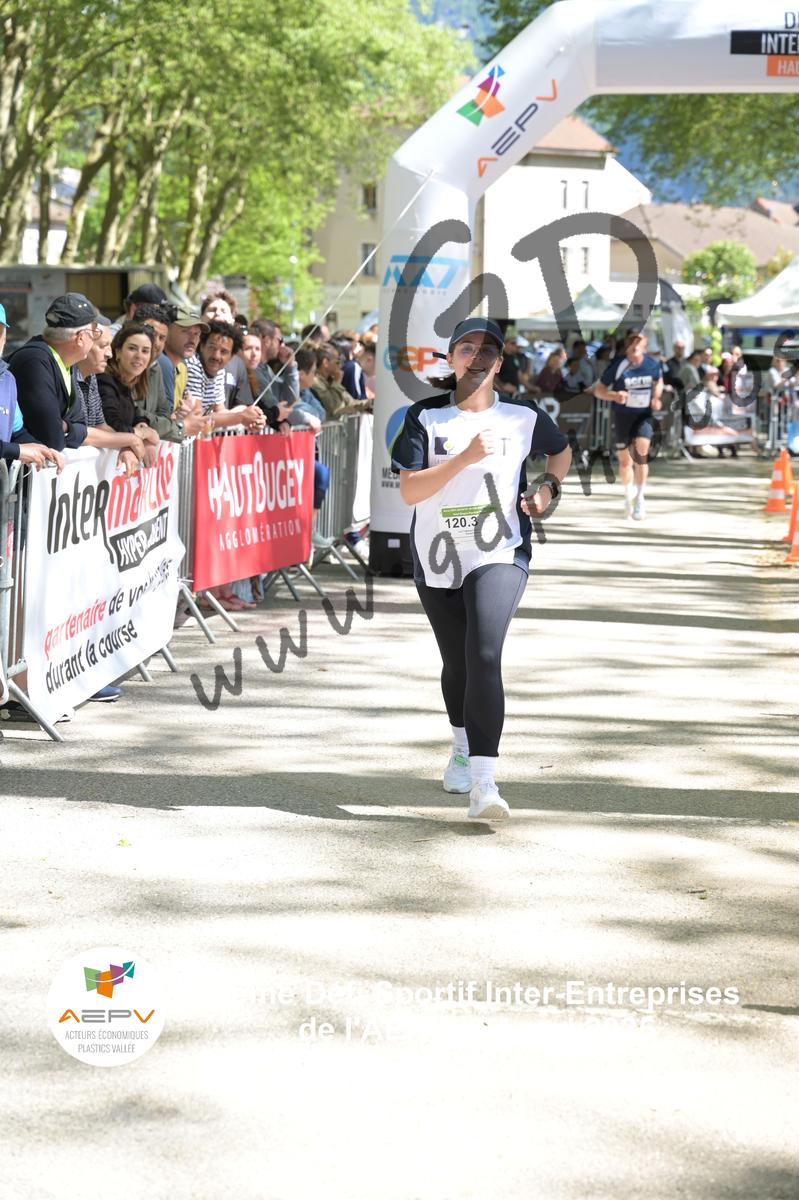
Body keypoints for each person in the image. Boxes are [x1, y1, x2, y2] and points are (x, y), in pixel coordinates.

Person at [391, 317, 571, 821]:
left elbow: (560, 452)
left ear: (499, 362)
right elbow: (410, 490)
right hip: (438, 552)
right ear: (450, 359)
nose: (477, 357)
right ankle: (461, 748)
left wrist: (547, 488)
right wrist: (464, 458)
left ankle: (484, 784)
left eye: (488, 350)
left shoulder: (522, 416)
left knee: (485, 652)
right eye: (467, 349)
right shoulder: (425, 417)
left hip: (500, 549)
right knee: (458, 662)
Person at [7, 292, 98, 450]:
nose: (94, 340)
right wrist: (70, 429)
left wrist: (66, 427)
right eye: (94, 333)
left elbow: (81, 422)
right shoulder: (34, 361)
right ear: (81, 337)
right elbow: (52, 439)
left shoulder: (65, 361)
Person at [595, 332, 663, 521]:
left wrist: (656, 397)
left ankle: (640, 498)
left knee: (641, 456)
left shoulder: (652, 364)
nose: (635, 345)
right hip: (623, 416)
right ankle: (628, 497)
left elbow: (659, 381)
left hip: (643, 416)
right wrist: (614, 396)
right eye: (632, 342)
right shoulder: (618, 365)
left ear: (645, 346)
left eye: (639, 342)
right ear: (627, 347)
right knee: (625, 462)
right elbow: (599, 390)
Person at [0, 304, 63, 469]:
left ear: (4, 339)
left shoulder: (7, 380)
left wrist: (42, 449)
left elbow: (17, 433)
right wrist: (16, 450)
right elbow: (15, 447)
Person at [96, 325, 162, 467]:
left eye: (145, 351)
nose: (139, 356)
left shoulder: (124, 383)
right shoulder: (104, 380)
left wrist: (142, 425)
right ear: (117, 352)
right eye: (132, 348)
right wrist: (144, 434)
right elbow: (111, 424)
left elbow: (134, 414)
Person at [251, 317, 300, 410]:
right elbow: (276, 408)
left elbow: (290, 400)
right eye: (280, 340)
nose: (282, 345)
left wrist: (290, 366)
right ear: (266, 340)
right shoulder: (254, 369)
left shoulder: (266, 369)